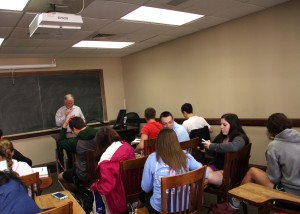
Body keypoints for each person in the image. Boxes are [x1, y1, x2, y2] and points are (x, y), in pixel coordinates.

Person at [210, 113, 300, 213]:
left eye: (224, 124)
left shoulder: (274, 146)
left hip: (290, 196)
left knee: (252, 171)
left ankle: (234, 203)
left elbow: (274, 178)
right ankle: (238, 201)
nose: (221, 127)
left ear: (270, 129)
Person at [141, 128, 208, 213]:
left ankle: (135, 209)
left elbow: (146, 188)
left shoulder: (151, 159)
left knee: (145, 193)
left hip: (161, 210)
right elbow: (203, 171)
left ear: (158, 142)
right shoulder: (186, 155)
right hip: (184, 208)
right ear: (176, 141)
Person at [90, 127, 135, 214]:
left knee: (96, 189)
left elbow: (106, 188)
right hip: (131, 189)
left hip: (118, 198)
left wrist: (95, 186)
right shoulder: (127, 147)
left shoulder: (106, 161)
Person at [202, 113, 249, 186]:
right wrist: (207, 146)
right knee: (199, 176)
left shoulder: (240, 137)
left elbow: (234, 147)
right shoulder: (221, 137)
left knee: (202, 179)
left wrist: (212, 146)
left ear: (233, 125)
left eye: (224, 125)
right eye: (221, 124)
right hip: (215, 167)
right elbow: (212, 152)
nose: (221, 127)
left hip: (229, 173)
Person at [58, 117, 97, 192]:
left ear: (75, 129)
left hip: (83, 174)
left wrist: (65, 125)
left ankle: (80, 193)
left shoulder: (76, 142)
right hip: (100, 171)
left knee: (60, 177)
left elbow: (61, 142)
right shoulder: (99, 134)